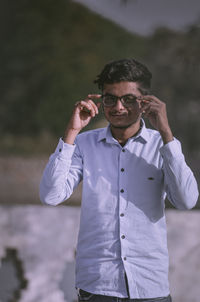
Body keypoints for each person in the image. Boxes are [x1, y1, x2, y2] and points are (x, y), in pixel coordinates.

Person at [39, 58, 199, 302]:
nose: (118, 107)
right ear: (101, 100)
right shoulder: (83, 144)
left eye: (129, 99)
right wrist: (71, 133)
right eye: (110, 98)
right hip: (97, 286)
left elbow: (186, 201)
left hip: (149, 287)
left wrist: (166, 132)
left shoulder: (163, 146)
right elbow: (51, 195)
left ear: (145, 102)